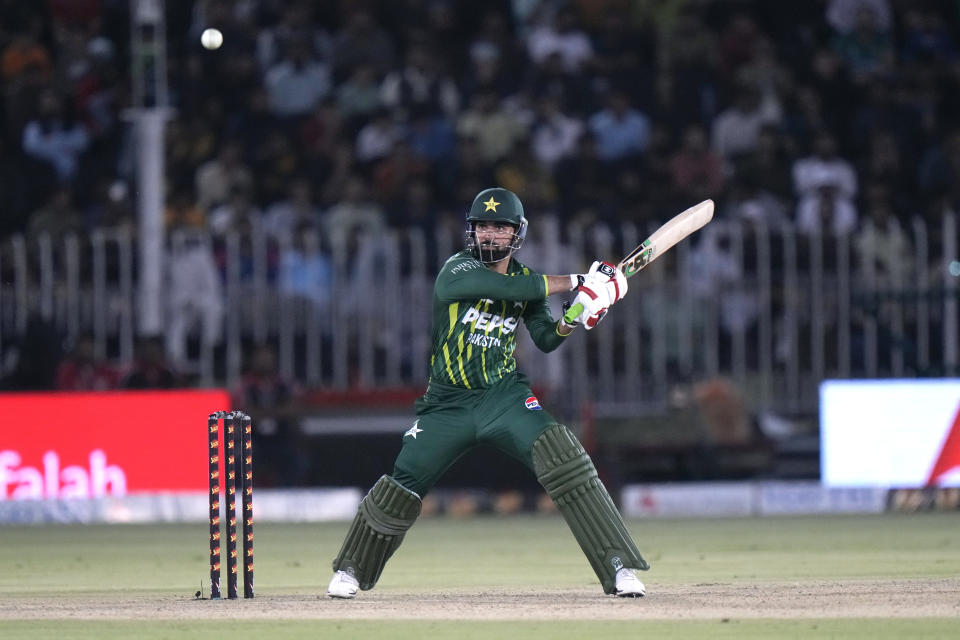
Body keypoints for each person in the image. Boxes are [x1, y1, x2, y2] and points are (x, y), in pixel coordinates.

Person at [326, 187, 648, 600]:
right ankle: (352, 569)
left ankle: (619, 567)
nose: (490, 235)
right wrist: (584, 281)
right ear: (471, 232)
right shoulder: (457, 271)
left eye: (500, 227)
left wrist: (576, 314)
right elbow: (514, 292)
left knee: (564, 455)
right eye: (482, 227)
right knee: (403, 480)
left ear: (517, 233)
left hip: (504, 397)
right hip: (448, 404)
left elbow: (547, 339)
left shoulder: (527, 280)